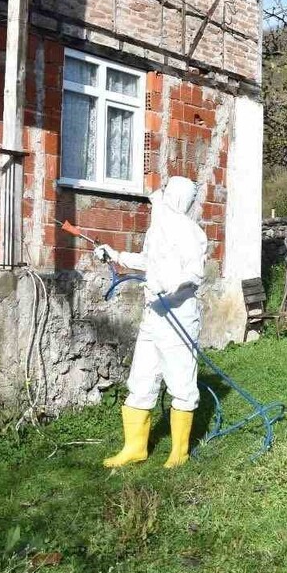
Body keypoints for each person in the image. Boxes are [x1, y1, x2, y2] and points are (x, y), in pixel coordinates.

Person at [94, 176, 206, 469]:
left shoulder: (191, 232)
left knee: (181, 383)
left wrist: (171, 285)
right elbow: (147, 261)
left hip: (178, 315)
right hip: (153, 315)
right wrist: (115, 255)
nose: (162, 198)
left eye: (167, 193)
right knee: (141, 379)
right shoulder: (157, 230)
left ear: (178, 198)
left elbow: (195, 272)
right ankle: (135, 448)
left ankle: (179, 452)